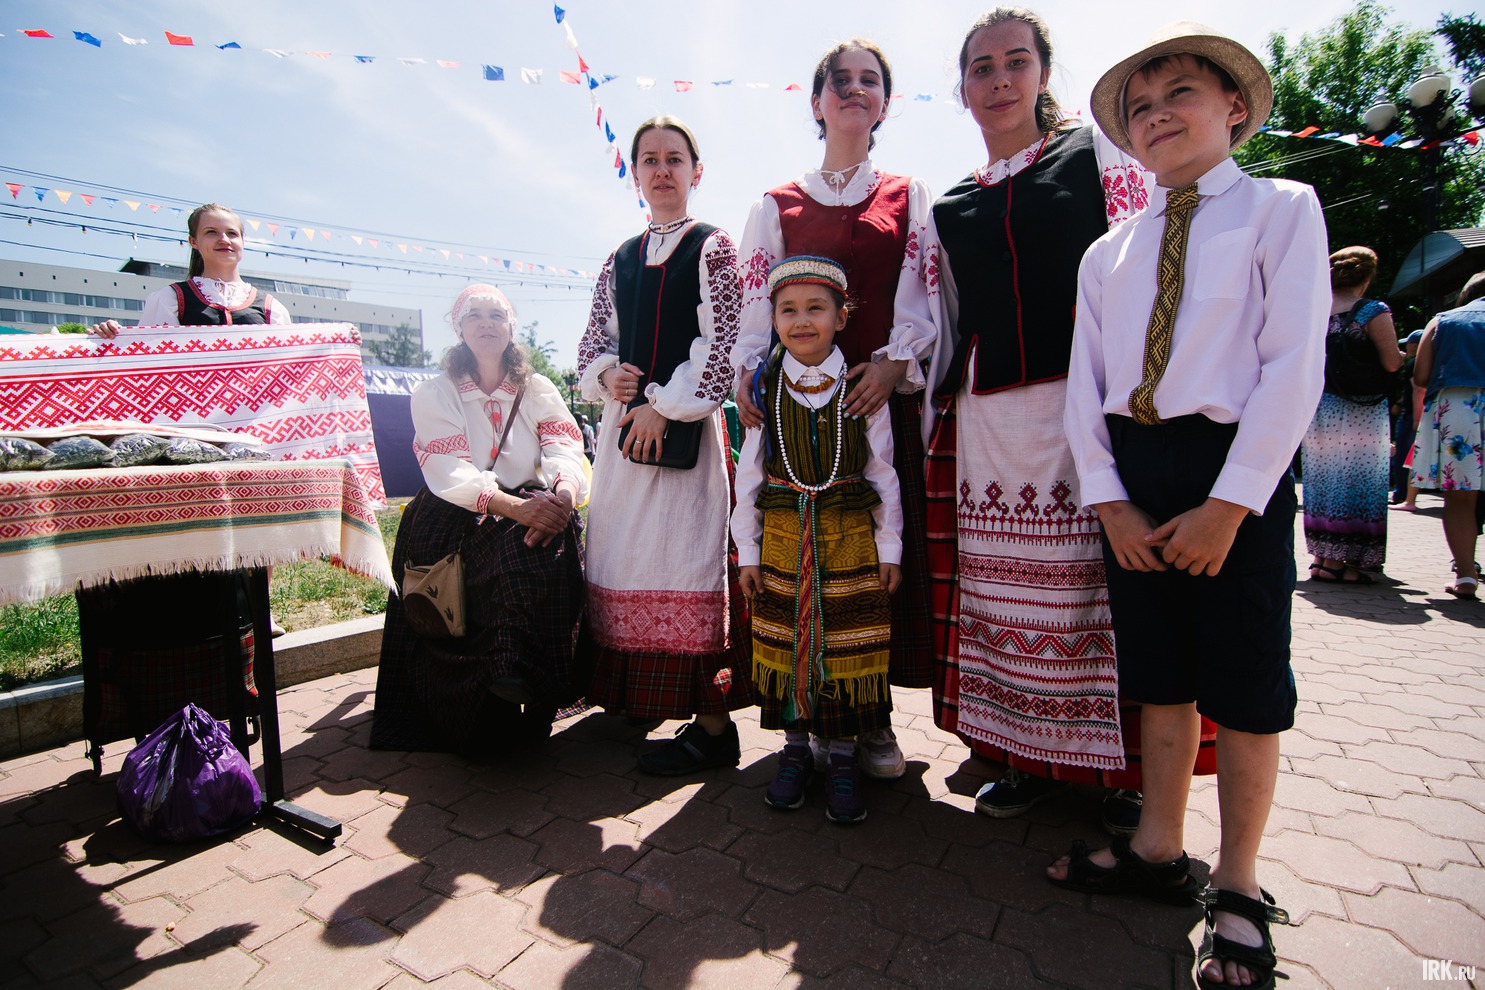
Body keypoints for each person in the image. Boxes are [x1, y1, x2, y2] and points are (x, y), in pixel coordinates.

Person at [1056, 23, 1329, 990]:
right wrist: (1111, 507)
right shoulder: (1106, 254)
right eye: (1138, 106)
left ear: (1234, 110)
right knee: (1160, 678)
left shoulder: (1280, 210)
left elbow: (1294, 365)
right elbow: (1082, 391)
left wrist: (1232, 504)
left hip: (1233, 473)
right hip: (1136, 477)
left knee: (1247, 685)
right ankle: (1156, 851)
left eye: (1179, 92)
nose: (1157, 111)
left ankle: (1243, 886)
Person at [924, 7, 1210, 836]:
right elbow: (942, 319)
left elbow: (1143, 266)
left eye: (1016, 62)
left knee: (1100, 593)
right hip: (990, 426)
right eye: (981, 67)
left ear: (1042, 74)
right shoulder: (948, 206)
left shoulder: (1097, 153)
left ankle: (1123, 773)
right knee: (1006, 603)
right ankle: (1023, 757)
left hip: (1087, 406)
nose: (1000, 78)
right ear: (964, 89)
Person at [731, 39, 937, 781]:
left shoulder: (907, 194)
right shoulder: (775, 203)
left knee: (870, 571)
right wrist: (753, 379)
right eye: (839, 81)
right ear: (816, 101)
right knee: (798, 567)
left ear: (884, 102)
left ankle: (868, 719)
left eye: (869, 81)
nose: (854, 90)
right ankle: (803, 729)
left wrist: (893, 364)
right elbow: (757, 310)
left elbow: (924, 295)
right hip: (796, 409)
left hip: (878, 405)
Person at [577, 116, 752, 774]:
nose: (661, 170)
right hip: (625, 442)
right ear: (635, 173)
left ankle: (711, 727)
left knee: (685, 565)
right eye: (648, 159)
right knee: (625, 561)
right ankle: (636, 698)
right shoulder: (617, 257)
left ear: (695, 171)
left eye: (674, 158)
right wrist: (608, 376)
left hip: (684, 436)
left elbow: (722, 341)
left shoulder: (712, 247)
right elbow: (592, 342)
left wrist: (662, 404)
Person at [369, 284, 588, 753]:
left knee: (548, 540)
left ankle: (526, 683)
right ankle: (498, 683)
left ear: (511, 328)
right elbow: (449, 471)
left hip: (535, 502)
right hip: (454, 511)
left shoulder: (538, 388)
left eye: (497, 315)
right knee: (516, 545)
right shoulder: (435, 392)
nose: (486, 324)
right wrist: (516, 508)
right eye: (475, 316)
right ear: (459, 329)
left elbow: (564, 446)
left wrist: (563, 497)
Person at [734, 256, 903, 824]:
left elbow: (883, 472)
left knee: (849, 640)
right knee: (786, 641)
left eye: (815, 308)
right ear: (774, 319)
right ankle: (795, 751)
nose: (800, 320)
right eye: (788, 310)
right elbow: (749, 477)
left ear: (841, 316)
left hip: (850, 537)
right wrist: (748, 552)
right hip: (783, 535)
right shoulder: (762, 392)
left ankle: (845, 755)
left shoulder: (860, 388)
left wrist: (893, 548)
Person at [1302, 246, 1402, 584]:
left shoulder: (1314, 310)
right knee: (1357, 480)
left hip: (1318, 407)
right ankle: (1343, 563)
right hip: (1360, 408)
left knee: (1323, 480)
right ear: (1367, 277)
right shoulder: (1372, 310)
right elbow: (1391, 362)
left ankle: (1321, 557)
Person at [92, 203, 289, 337]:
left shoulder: (271, 308)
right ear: (193, 241)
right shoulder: (170, 299)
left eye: (232, 233)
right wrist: (108, 339)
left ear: (242, 242)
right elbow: (146, 359)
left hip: (255, 400)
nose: (224, 239)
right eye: (211, 232)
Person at [1411, 270, 1485, 600]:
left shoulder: (1443, 320)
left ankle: (1466, 575)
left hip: (1459, 407)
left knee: (1460, 498)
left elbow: (1421, 374)